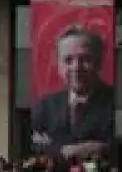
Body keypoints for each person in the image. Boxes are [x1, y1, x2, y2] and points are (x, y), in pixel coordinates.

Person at [30, 26, 115, 160]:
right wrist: (63, 150)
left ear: (99, 62)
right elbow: (32, 145)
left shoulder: (116, 102)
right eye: (68, 60)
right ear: (58, 65)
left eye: (85, 59)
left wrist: (104, 149)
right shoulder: (44, 106)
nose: (76, 67)